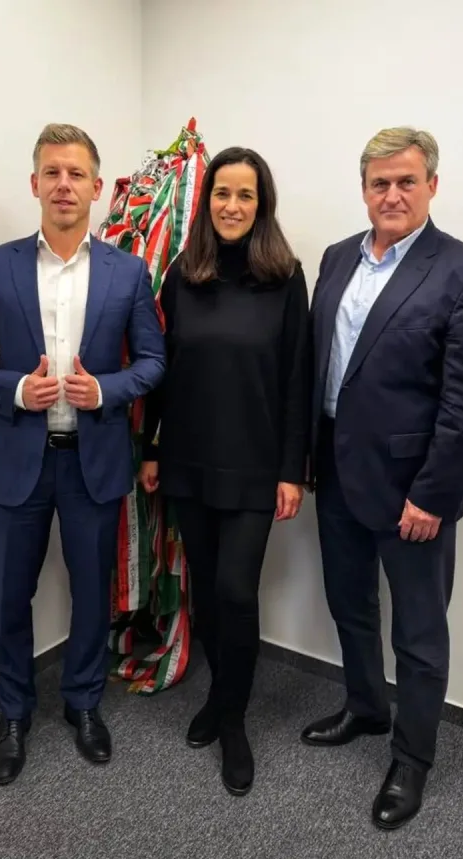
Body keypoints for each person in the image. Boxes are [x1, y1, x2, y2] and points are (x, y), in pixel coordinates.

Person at [0, 124, 166, 785]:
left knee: (92, 593)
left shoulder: (128, 271)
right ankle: (13, 713)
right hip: (18, 462)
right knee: (10, 597)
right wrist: (14, 388)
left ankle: (83, 703)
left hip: (94, 461)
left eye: (76, 174)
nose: (63, 184)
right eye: (52, 172)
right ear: (35, 184)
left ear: (97, 187)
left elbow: (154, 360)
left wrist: (106, 390)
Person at [303, 127, 463, 830]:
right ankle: (365, 707)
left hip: (413, 489)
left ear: (431, 187)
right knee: (349, 604)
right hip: (336, 472)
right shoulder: (336, 258)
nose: (392, 194)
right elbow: (322, 367)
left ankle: (411, 759)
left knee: (418, 633)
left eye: (406, 181)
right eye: (379, 183)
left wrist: (433, 493)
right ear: (364, 189)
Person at [139, 147, 310, 797]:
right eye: (221, 193)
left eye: (245, 194)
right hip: (187, 458)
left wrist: (292, 471)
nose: (231, 205)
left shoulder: (286, 278)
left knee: (237, 591)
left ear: (262, 205)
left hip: (255, 465)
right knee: (207, 593)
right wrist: (151, 448)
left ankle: (234, 720)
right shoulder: (183, 275)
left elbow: (298, 380)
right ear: (207, 201)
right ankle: (218, 695)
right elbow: (163, 369)